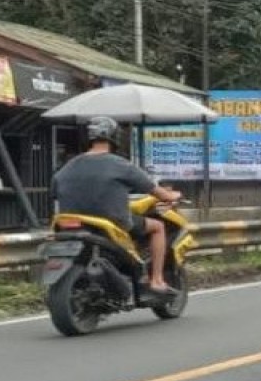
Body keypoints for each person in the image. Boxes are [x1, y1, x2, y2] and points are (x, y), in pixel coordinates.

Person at [51, 116, 179, 297]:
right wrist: (173, 195)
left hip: (71, 224)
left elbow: (54, 192)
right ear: (114, 137)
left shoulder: (67, 167)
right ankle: (157, 280)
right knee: (158, 227)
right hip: (111, 224)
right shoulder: (120, 165)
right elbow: (159, 193)